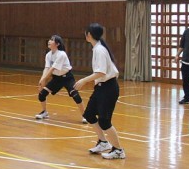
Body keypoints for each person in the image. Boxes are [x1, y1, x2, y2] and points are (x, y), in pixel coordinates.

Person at [74, 23, 125, 160]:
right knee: (89, 114)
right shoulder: (97, 48)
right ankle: (103, 142)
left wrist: (83, 81)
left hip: (108, 88)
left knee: (104, 121)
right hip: (101, 88)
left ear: (89, 35)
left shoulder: (100, 50)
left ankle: (118, 150)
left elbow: (101, 72)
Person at [35, 35, 87, 123]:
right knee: (42, 94)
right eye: (49, 39)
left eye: (52, 40)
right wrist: (41, 80)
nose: (49, 41)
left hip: (67, 78)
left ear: (57, 44)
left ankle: (85, 115)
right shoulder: (48, 55)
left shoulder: (61, 54)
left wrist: (44, 80)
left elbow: (52, 69)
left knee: (75, 95)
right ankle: (44, 112)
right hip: (56, 79)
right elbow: (47, 68)